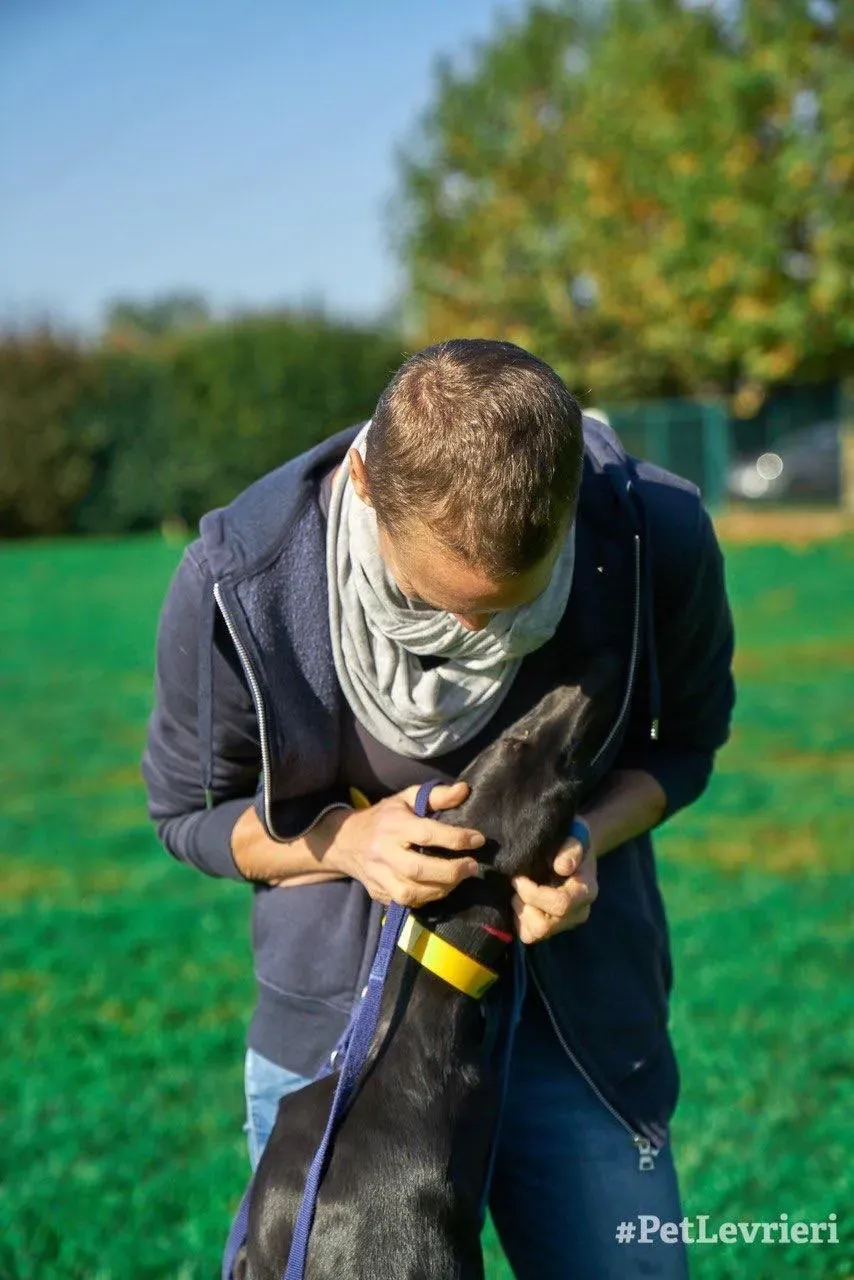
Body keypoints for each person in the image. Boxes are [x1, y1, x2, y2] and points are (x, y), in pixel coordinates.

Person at [142, 339, 735, 1279]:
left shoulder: (650, 532)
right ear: (365, 486)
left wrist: (585, 835)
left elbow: (688, 745)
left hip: (577, 1034)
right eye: (437, 602)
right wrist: (345, 841)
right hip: (341, 1051)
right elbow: (184, 814)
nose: (476, 637)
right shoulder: (239, 577)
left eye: (516, 605)